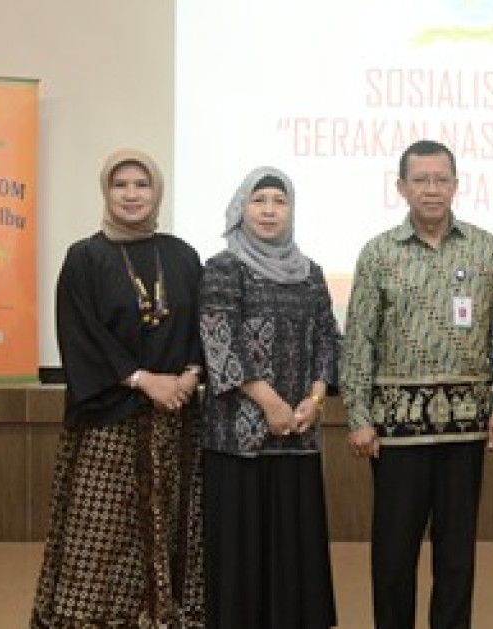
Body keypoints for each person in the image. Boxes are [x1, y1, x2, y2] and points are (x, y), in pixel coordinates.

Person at [340, 139, 493, 629]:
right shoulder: (378, 253)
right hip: (396, 433)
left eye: (441, 179)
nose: (432, 189)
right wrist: (358, 417)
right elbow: (359, 340)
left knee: (456, 557)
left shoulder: (485, 249)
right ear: (402, 187)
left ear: (456, 185)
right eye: (421, 180)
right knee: (394, 556)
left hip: (466, 426)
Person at [31, 149, 204, 628]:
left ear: (157, 192)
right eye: (120, 184)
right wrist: (144, 380)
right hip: (109, 417)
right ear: (106, 191)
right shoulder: (85, 257)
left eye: (141, 185)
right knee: (101, 531)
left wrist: (189, 376)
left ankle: (165, 614)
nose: (132, 194)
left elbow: (202, 326)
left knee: (169, 523)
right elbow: (80, 333)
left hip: (174, 418)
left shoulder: (182, 255)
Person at [199, 166, 340, 629]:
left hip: (297, 434)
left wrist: (315, 399)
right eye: (258, 200)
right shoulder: (224, 268)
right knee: (242, 554)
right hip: (237, 441)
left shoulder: (310, 273)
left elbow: (328, 341)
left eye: (279, 201)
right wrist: (271, 405)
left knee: (294, 552)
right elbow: (220, 343)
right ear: (241, 208)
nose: (268, 210)